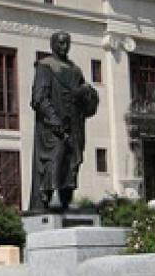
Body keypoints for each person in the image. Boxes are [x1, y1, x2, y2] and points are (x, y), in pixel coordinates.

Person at [30, 31, 98, 212]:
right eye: (60, 43)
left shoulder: (75, 70)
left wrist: (89, 95)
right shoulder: (45, 66)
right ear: (52, 44)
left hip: (74, 124)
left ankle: (66, 198)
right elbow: (39, 98)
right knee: (55, 157)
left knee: (72, 161)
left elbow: (85, 99)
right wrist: (53, 119)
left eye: (67, 43)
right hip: (52, 126)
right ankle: (49, 196)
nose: (64, 47)